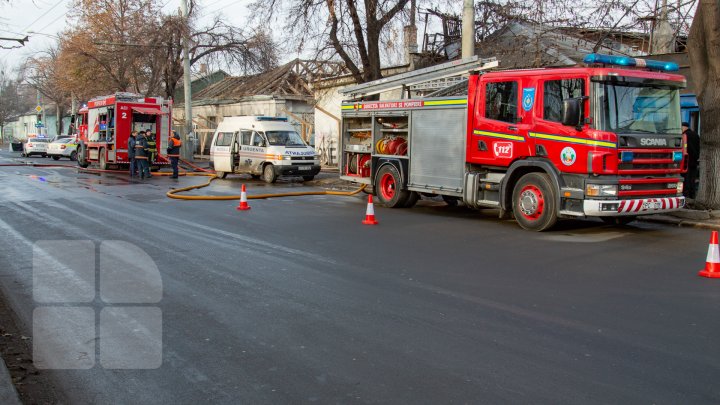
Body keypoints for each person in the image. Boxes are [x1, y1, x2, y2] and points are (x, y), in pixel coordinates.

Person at [683, 122, 700, 199]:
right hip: (695, 161)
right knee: (692, 179)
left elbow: (687, 148)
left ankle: (686, 195)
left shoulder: (685, 135)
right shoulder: (696, 134)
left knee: (686, 179)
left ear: (684, 127)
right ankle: (692, 195)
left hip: (687, 161)